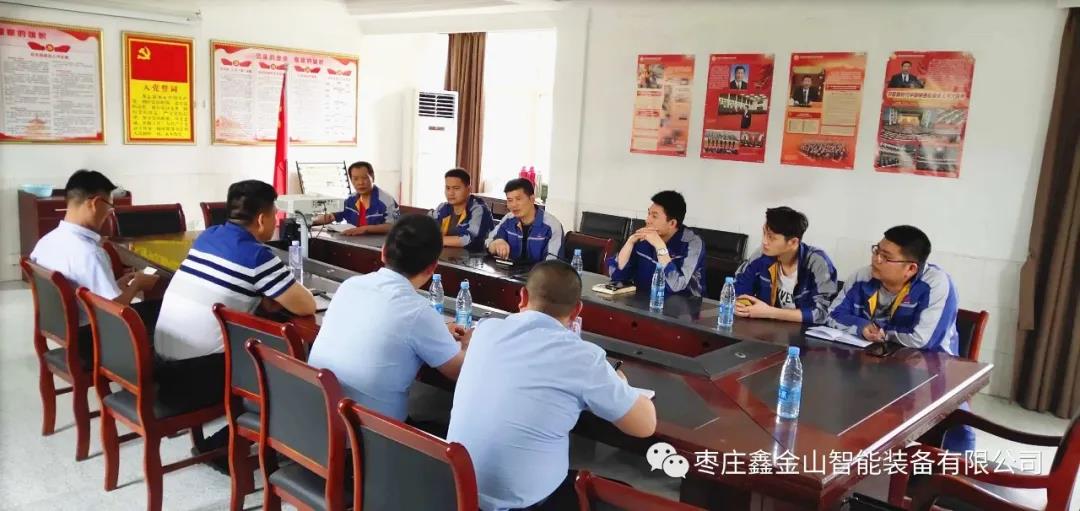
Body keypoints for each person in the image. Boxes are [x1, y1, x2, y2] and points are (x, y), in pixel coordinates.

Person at [447, 261, 656, 511]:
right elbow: (645, 426)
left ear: (523, 297)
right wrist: (620, 382)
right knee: (619, 496)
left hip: (456, 490)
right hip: (523, 506)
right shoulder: (583, 357)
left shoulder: (486, 329)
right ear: (577, 311)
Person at [153, 180, 316, 459]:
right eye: (274, 214)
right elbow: (306, 305)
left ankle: (235, 439)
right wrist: (270, 296)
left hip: (162, 364)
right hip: (197, 377)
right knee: (287, 363)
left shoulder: (208, 236)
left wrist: (262, 297)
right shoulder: (256, 255)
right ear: (262, 219)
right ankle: (267, 443)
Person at [308, 214, 469, 422]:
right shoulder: (418, 312)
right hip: (370, 434)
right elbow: (459, 371)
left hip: (317, 420)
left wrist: (438, 331)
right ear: (432, 267)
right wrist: (469, 342)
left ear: (383, 252)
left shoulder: (350, 285)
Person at [826, 225, 971, 452]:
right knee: (835, 405)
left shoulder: (936, 284)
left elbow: (922, 340)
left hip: (929, 369)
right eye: (876, 251)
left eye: (886, 257)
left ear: (911, 268)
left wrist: (882, 332)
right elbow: (832, 315)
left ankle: (953, 471)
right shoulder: (863, 277)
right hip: (872, 364)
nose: (876, 259)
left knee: (958, 426)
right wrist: (862, 327)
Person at [30, 170, 160, 369]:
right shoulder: (90, 253)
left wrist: (117, 284)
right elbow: (114, 311)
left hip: (68, 332)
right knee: (162, 311)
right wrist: (137, 286)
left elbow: (85, 291)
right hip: (93, 340)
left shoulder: (45, 242)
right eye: (109, 206)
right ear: (96, 203)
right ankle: (156, 371)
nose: (109, 213)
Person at [733, 207, 838, 324]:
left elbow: (823, 313)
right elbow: (739, 288)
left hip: (804, 331)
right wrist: (739, 304)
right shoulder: (762, 255)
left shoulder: (817, 262)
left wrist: (770, 312)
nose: (764, 241)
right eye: (764, 233)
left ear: (793, 242)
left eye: (771, 237)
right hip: (768, 328)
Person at [608, 190, 706, 297]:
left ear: (672, 223)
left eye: (654, 216)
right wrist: (629, 243)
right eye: (648, 214)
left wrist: (660, 246)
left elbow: (676, 286)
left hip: (683, 304)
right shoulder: (644, 237)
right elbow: (617, 276)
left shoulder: (692, 242)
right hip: (644, 301)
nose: (647, 220)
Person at [486, 178, 564, 263]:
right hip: (509, 270)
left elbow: (553, 264)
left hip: (540, 271)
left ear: (532, 199)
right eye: (510, 200)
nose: (514, 205)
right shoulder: (508, 220)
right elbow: (488, 242)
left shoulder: (552, 226)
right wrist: (495, 244)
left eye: (518, 199)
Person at [312, 161, 400, 235]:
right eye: (355, 179)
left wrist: (365, 229)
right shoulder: (351, 199)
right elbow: (332, 217)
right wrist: (310, 221)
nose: (360, 182)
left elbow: (392, 226)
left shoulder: (386, 200)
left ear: (372, 177)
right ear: (351, 180)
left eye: (364, 178)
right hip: (354, 242)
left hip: (379, 245)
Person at [430, 168, 495, 252]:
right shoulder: (443, 207)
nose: (450, 193)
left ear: (469, 189)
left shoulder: (479, 210)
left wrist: (435, 240)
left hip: (475, 257)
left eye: (456, 188)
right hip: (448, 255)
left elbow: (468, 240)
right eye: (448, 188)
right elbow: (426, 228)